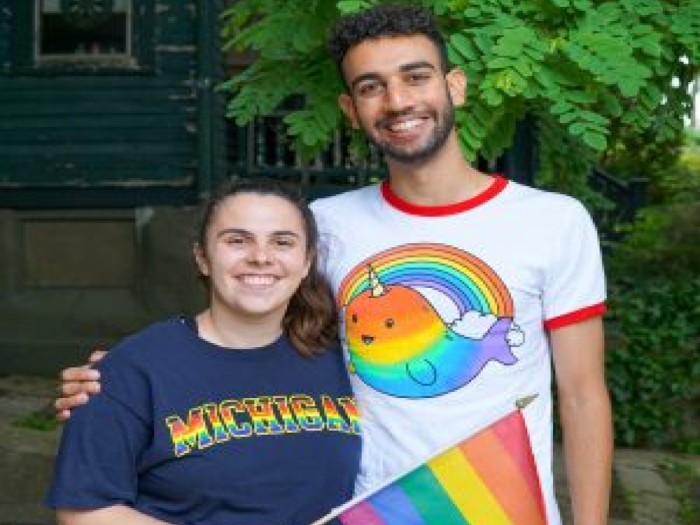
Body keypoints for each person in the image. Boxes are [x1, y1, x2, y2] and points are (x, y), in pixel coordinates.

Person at [55, 3, 613, 525]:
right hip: (368, 510)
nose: (397, 101)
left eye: (416, 76)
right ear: (351, 110)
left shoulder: (553, 222)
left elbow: (584, 395)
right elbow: (250, 330)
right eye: (372, 87)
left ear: (455, 87)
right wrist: (121, 388)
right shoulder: (324, 225)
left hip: (497, 505)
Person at [46, 180, 361, 525]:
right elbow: (83, 512)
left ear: (306, 262)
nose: (260, 257)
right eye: (237, 241)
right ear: (202, 258)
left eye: (282, 242)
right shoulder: (135, 369)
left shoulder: (343, 360)